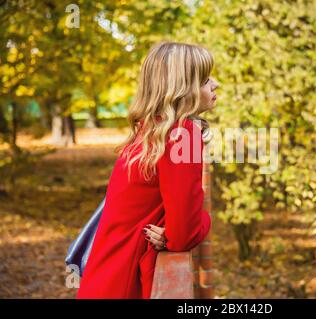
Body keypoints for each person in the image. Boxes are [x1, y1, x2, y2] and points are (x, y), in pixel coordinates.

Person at [76, 41, 220, 298]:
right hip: (126, 283)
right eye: (205, 79)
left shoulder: (150, 131)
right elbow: (183, 235)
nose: (215, 84)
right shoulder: (181, 134)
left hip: (104, 278)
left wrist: (173, 230)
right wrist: (206, 221)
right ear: (183, 89)